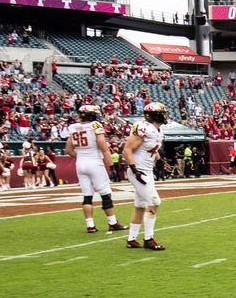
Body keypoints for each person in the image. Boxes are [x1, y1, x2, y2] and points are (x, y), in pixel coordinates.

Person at [65, 104, 125, 234]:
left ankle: (90, 225)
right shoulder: (95, 125)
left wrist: (81, 156)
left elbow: (68, 150)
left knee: (87, 196)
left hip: (80, 164)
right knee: (105, 193)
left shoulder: (73, 127)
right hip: (94, 162)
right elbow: (104, 148)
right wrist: (111, 166)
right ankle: (112, 222)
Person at [123, 102, 168, 251]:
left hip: (147, 170)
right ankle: (148, 238)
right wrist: (134, 170)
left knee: (140, 206)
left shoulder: (157, 130)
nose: (165, 115)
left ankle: (131, 239)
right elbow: (127, 149)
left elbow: (149, 150)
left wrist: (159, 159)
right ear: (154, 115)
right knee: (154, 201)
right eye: (162, 113)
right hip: (139, 171)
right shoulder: (144, 128)